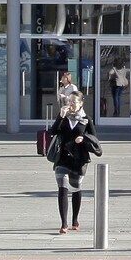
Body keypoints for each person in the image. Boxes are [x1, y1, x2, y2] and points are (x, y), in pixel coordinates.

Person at [45, 91, 101, 233]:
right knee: (62, 188)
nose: (70, 104)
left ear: (81, 103)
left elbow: (94, 139)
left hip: (79, 159)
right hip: (62, 157)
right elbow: (53, 131)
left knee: (75, 188)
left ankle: (75, 219)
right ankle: (64, 223)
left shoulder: (86, 119)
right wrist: (60, 116)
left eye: (74, 102)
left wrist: (83, 138)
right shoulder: (64, 117)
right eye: (69, 101)